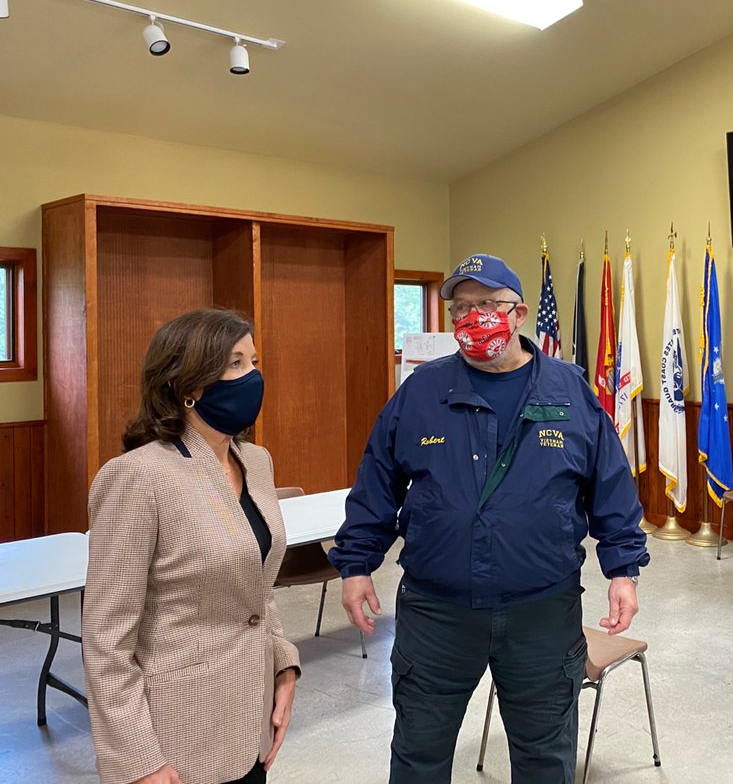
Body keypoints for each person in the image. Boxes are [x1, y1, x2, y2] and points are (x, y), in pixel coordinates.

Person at [328, 253, 650, 784]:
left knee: (545, 760)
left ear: (519, 313)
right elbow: (377, 481)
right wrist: (357, 563)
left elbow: (610, 487)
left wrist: (623, 570)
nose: (473, 317)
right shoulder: (422, 391)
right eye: (461, 307)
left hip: (541, 612)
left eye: (488, 304)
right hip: (437, 612)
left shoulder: (570, 391)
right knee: (418, 754)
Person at [83, 309, 300, 784]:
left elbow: (257, 587)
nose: (253, 376)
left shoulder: (255, 461)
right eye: (235, 363)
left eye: (254, 361)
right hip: (176, 737)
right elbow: (106, 640)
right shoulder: (137, 477)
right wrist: (138, 760)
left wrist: (284, 663)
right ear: (186, 385)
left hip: (252, 721)